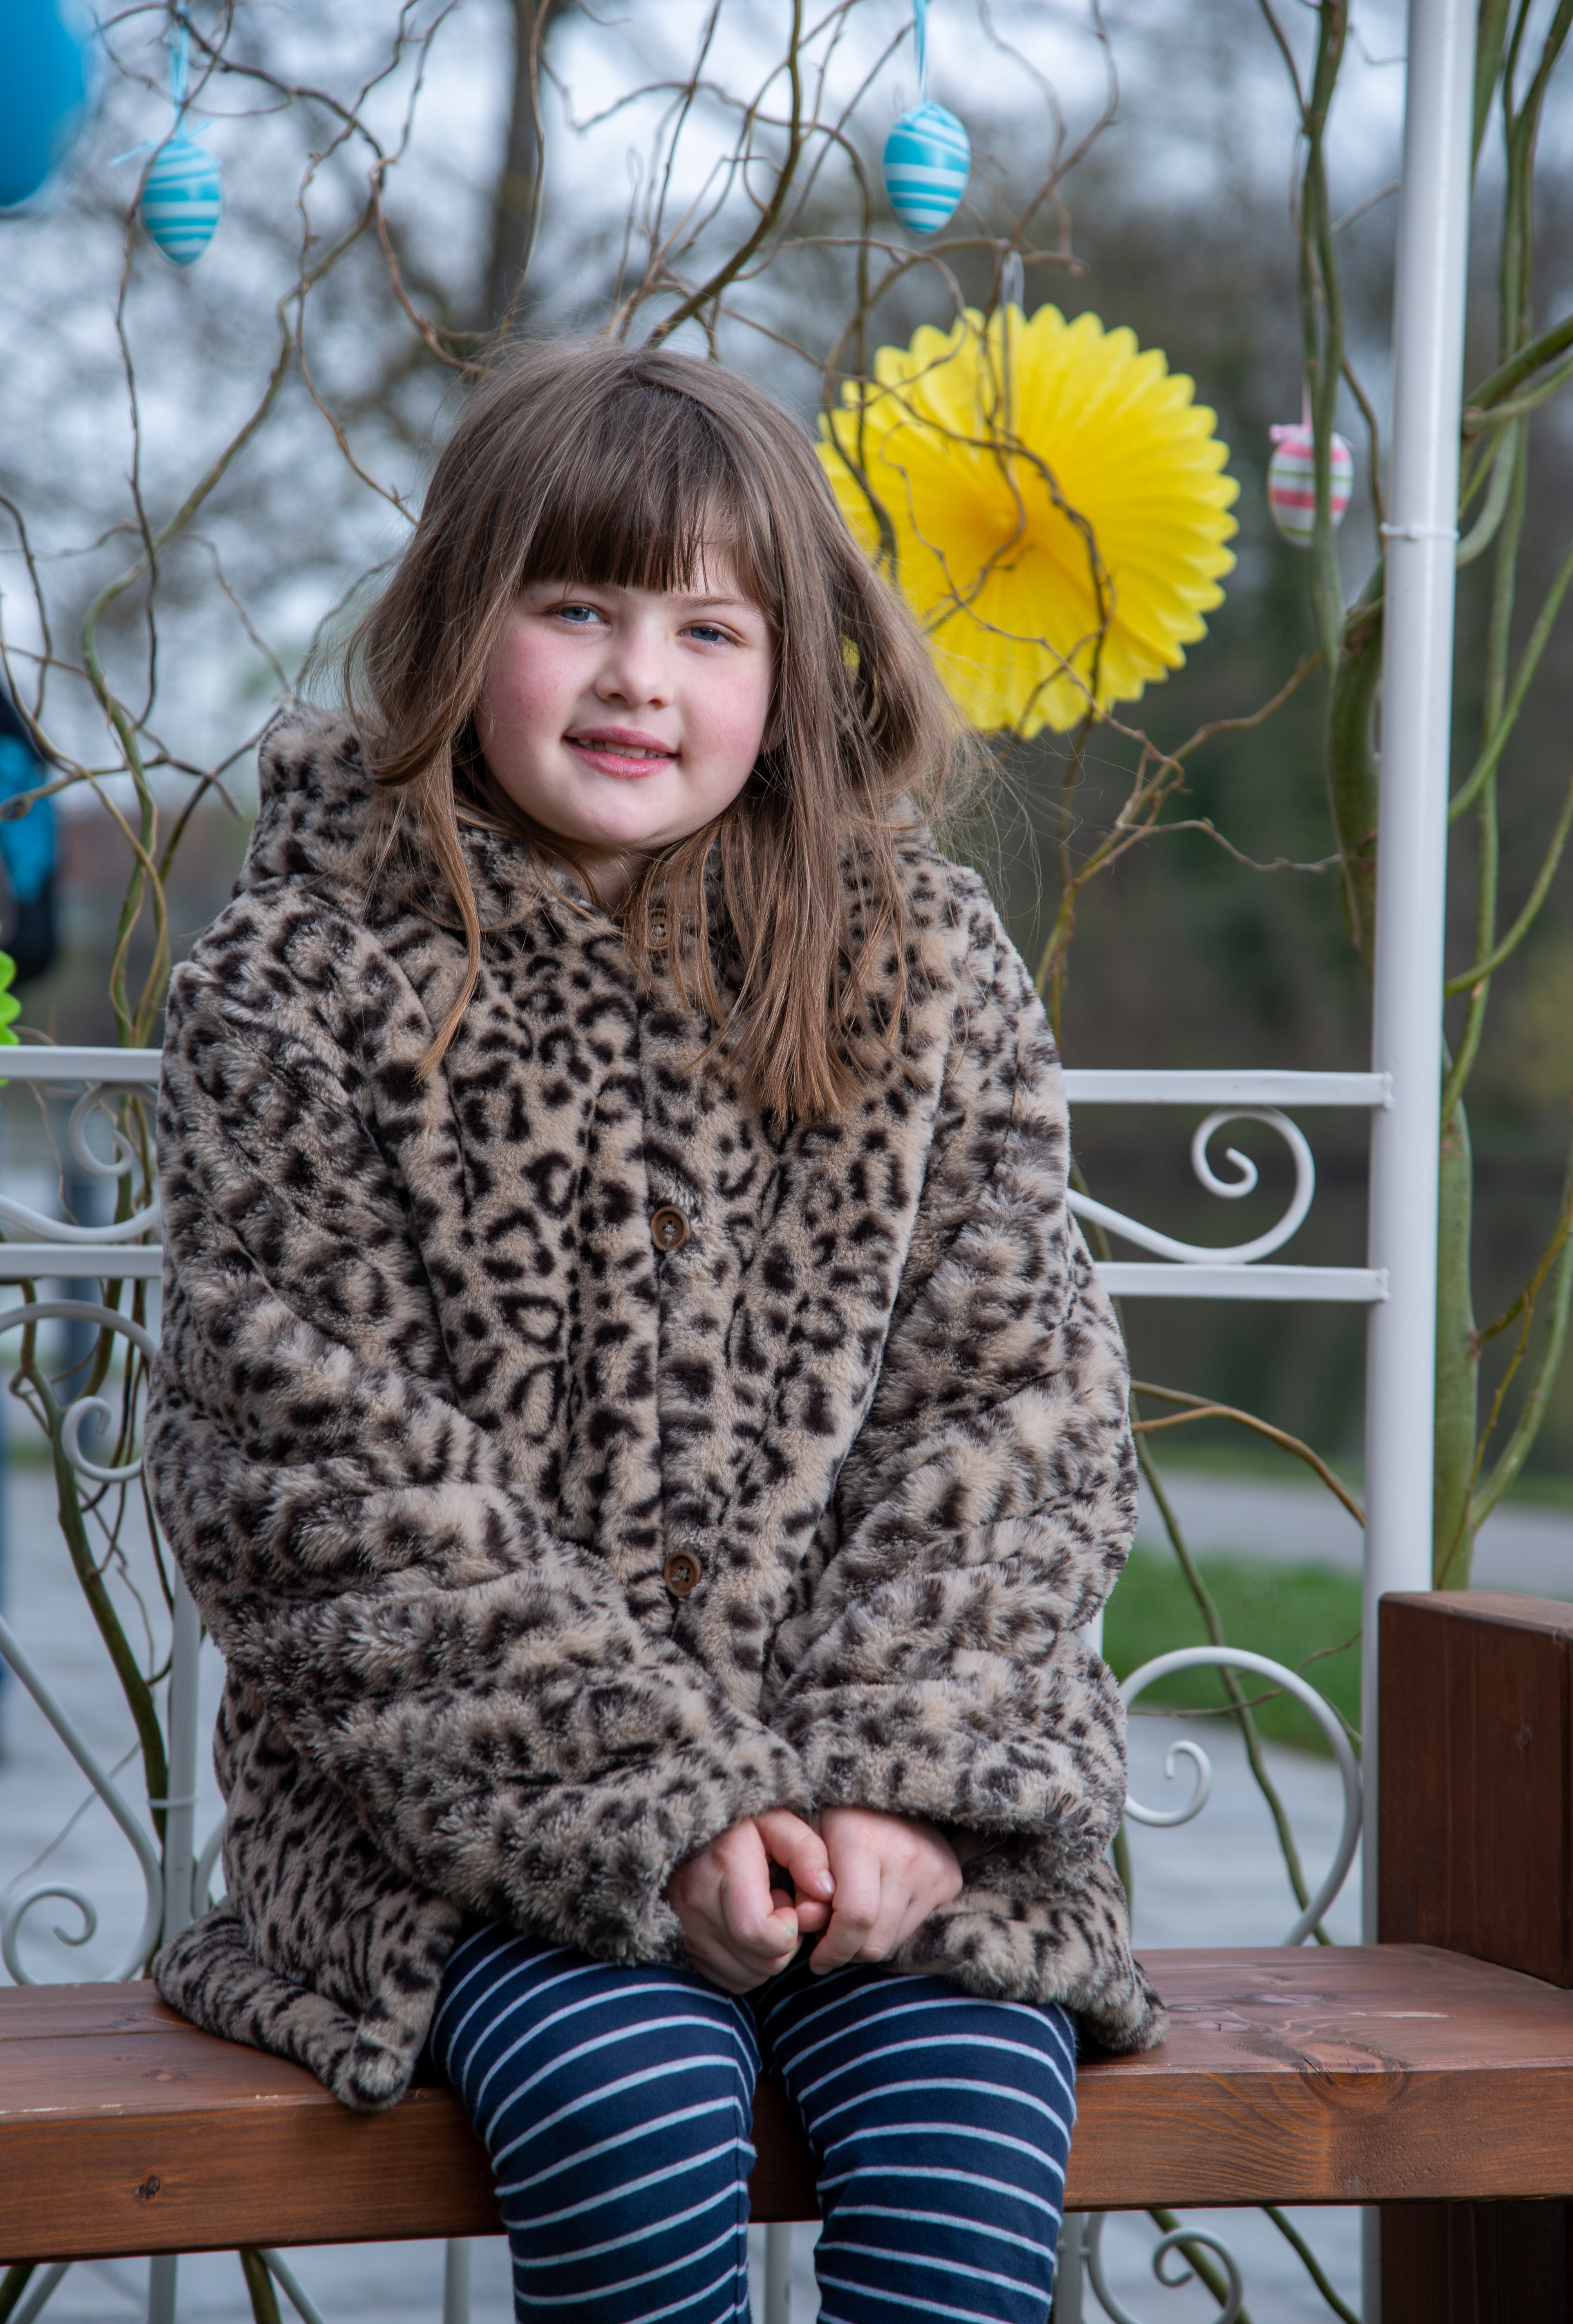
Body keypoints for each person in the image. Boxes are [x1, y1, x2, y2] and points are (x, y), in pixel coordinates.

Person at [149, 342, 1162, 2324]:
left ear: (792, 671)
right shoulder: (300, 976)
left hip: (888, 1826)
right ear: (461, 621)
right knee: (629, 2098)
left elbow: (1013, 1414)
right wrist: (657, 1806)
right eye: (577, 609)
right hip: (452, 1832)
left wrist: (895, 1790)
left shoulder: (915, 963)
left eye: (709, 629)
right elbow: (312, 1475)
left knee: (966, 2128)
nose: (639, 679)